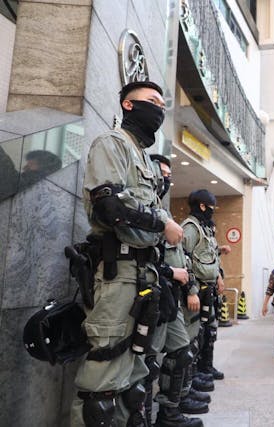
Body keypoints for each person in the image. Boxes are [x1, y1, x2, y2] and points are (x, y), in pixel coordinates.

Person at [72, 81, 184, 427]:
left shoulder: (144, 159)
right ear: (128, 104)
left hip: (144, 276)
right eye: (152, 100)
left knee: (135, 379)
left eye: (163, 103)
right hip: (116, 273)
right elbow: (108, 205)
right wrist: (161, 223)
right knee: (102, 384)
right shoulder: (112, 143)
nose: (160, 108)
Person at [147, 154, 204, 426]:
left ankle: (169, 413)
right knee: (147, 366)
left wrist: (187, 282)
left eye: (170, 175)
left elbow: (182, 258)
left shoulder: (163, 212)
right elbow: (146, 257)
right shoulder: (147, 209)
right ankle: (148, 418)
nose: (167, 179)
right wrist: (172, 274)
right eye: (163, 173)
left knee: (183, 353)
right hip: (152, 295)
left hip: (170, 296)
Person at [180, 189, 227, 399]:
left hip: (209, 289)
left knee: (209, 332)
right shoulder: (190, 228)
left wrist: (219, 276)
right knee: (195, 336)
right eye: (211, 206)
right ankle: (193, 376)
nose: (212, 211)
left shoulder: (205, 228)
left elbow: (207, 257)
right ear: (202, 206)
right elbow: (184, 259)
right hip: (196, 289)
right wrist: (191, 290)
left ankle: (205, 368)